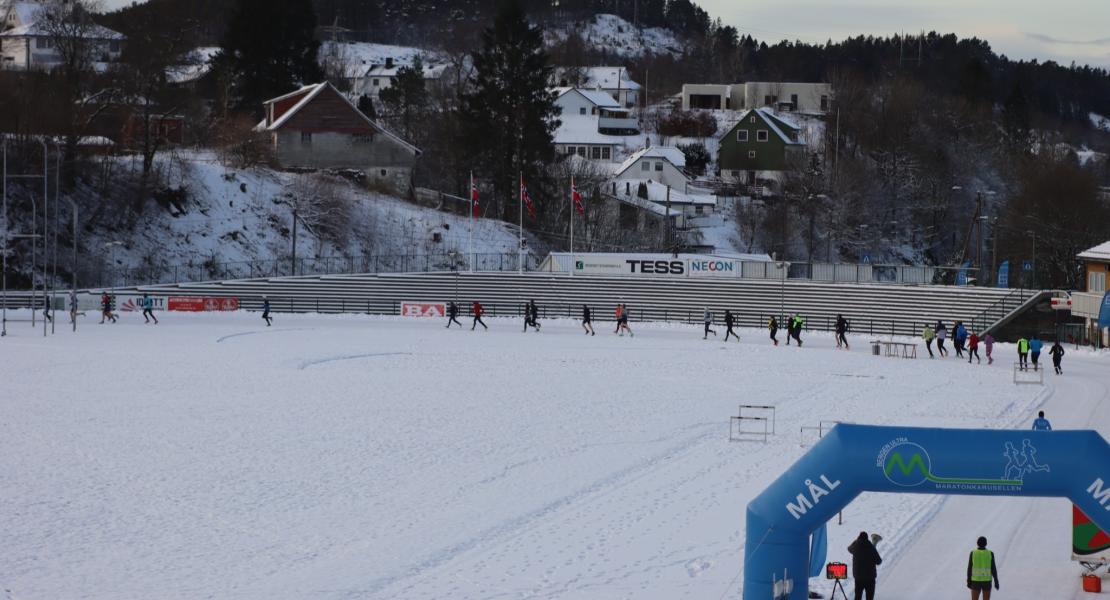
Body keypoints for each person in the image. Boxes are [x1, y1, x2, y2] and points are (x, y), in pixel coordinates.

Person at [848, 531, 883, 600]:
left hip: (858, 577)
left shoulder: (855, 546)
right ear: (867, 538)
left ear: (858, 538)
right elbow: (879, 561)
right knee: (869, 597)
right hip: (870, 578)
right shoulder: (871, 548)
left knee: (857, 597)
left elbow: (849, 549)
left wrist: (856, 541)